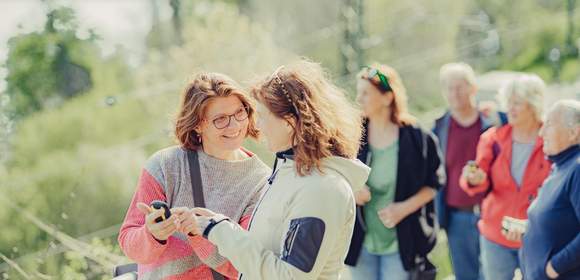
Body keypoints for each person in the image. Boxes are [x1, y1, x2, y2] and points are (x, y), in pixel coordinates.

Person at [186, 60, 370, 279]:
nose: (258, 126)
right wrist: (217, 225)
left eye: (263, 117)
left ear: (289, 121)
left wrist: (219, 230)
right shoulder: (289, 174)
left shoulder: (322, 188)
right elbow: (266, 254)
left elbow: (289, 276)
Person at [118, 73, 271, 279]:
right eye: (220, 120)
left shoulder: (261, 182)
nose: (234, 126)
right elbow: (129, 243)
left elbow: (244, 265)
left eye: (239, 113)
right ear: (198, 124)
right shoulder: (164, 166)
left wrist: (200, 231)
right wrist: (152, 234)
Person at [345, 63, 444, 280]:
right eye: (358, 92)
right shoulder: (351, 135)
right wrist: (352, 191)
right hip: (360, 242)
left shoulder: (417, 138)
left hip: (401, 243)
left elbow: (434, 183)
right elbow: (334, 177)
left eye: (366, 93)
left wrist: (403, 208)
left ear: (387, 98)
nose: (358, 99)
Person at [461, 74, 551, 280]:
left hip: (538, 235)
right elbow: (478, 177)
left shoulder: (551, 139)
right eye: (508, 102)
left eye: (517, 103)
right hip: (495, 233)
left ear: (534, 105)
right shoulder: (492, 138)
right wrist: (474, 178)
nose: (510, 108)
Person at [432, 62, 506, 280]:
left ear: (473, 88)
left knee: (496, 275)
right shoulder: (439, 128)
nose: (455, 93)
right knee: (465, 275)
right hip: (457, 218)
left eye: (460, 86)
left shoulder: (495, 120)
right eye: (449, 87)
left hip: (494, 213)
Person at [521, 100, 580, 280]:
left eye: (549, 125)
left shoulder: (577, 169)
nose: (541, 132)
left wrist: (554, 267)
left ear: (574, 132)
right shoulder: (560, 166)